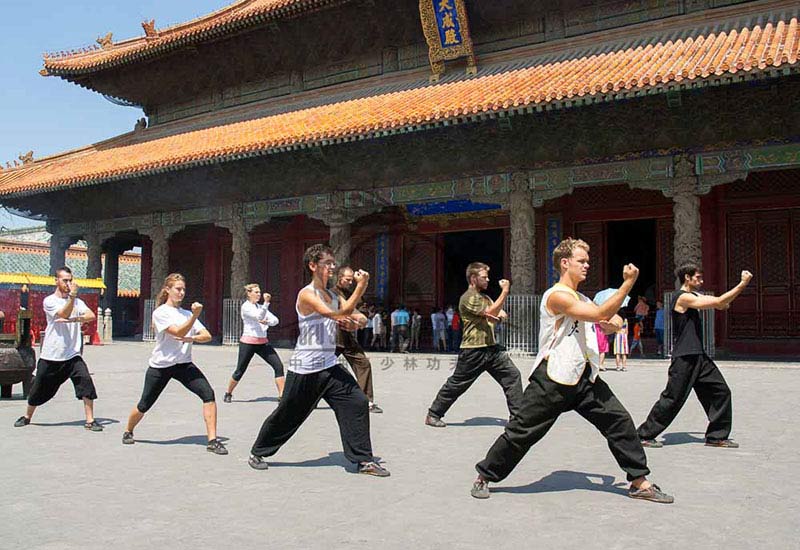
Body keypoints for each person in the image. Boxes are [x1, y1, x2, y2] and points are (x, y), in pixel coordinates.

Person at [470, 238, 673, 504]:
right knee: (522, 431)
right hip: (553, 378)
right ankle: (484, 475)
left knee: (619, 421)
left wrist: (614, 321)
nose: (587, 265)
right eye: (582, 261)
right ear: (565, 263)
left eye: (587, 261)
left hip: (585, 377)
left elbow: (609, 318)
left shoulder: (582, 298)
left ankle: (639, 482)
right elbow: (600, 312)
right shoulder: (556, 296)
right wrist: (627, 284)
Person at [248, 244, 389, 476]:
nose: (332, 267)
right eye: (327, 263)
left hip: (329, 366)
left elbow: (357, 316)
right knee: (288, 414)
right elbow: (336, 315)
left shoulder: (333, 294)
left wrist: (357, 321)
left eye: (334, 263)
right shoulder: (306, 294)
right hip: (305, 369)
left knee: (357, 402)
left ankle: (364, 460)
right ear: (313, 266)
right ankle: (258, 450)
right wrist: (360, 288)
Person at [637, 263, 753, 449]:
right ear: (687, 278)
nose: (701, 281)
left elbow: (722, 304)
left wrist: (724, 300)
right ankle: (643, 434)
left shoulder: (693, 296)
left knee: (721, 391)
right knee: (672, 398)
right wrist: (742, 284)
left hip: (698, 355)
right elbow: (718, 302)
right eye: (697, 277)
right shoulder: (681, 298)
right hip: (685, 356)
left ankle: (716, 436)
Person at [122, 273, 227, 455]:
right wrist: (194, 317)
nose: (182, 293)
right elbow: (177, 331)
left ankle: (212, 440)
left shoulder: (185, 313)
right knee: (145, 403)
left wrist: (191, 336)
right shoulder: (161, 312)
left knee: (208, 394)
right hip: (161, 366)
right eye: (178, 289)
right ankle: (128, 430)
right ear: (168, 290)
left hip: (184, 364)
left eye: (184, 289)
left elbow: (207, 335)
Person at [424, 262, 523, 428]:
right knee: (457, 384)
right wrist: (505, 292)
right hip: (473, 350)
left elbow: (499, 313)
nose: (488, 280)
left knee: (512, 376)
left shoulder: (485, 298)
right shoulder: (468, 297)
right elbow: (493, 312)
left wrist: (496, 312)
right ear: (473, 278)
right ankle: (433, 414)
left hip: (492, 348)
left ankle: (518, 417)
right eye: (484, 277)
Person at [14, 267, 102, 431]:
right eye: (64, 280)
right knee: (39, 389)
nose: (68, 283)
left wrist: (74, 319)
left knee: (85, 383)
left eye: (70, 280)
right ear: (56, 281)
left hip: (72, 354)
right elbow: (62, 313)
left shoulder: (78, 301)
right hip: (52, 355)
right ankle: (27, 416)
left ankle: (90, 420)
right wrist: (72, 299)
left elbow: (90, 315)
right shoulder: (49, 301)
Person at [223, 283, 284, 403]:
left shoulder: (260, 307)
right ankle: (228, 392)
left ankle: (282, 395)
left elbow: (275, 320)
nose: (259, 294)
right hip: (248, 342)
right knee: (240, 370)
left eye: (259, 292)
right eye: (256, 292)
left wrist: (267, 322)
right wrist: (266, 303)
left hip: (263, 343)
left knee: (278, 366)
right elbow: (258, 316)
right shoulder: (246, 307)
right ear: (249, 293)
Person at [333, 266, 383, 414]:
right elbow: (347, 308)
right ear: (339, 278)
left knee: (363, 363)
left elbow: (361, 310)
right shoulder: (333, 292)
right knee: (318, 370)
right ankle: (306, 398)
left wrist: (364, 283)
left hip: (347, 337)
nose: (350, 282)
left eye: (351, 280)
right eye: (347, 280)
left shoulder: (350, 292)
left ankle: (367, 401)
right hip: (332, 338)